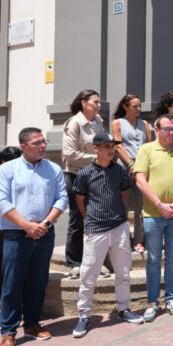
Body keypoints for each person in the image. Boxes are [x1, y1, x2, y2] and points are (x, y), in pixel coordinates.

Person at [0, 127, 68, 346]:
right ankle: (8, 331)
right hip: (16, 234)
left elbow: (62, 199)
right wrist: (27, 225)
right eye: (37, 143)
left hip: (44, 233)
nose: (43, 146)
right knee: (12, 284)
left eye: (44, 142)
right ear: (23, 146)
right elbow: (1, 201)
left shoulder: (53, 169)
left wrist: (44, 224)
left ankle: (33, 324)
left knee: (38, 281)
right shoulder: (8, 169)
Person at [72, 132, 144, 338]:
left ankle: (124, 309)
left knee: (123, 272)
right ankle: (84, 316)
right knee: (89, 275)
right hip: (95, 230)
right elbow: (80, 200)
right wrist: (90, 218)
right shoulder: (85, 173)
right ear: (95, 149)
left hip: (119, 227)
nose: (111, 150)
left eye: (112, 146)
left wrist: (117, 216)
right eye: (106, 146)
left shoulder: (120, 170)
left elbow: (123, 194)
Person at [133, 114, 173, 322]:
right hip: (153, 214)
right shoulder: (146, 150)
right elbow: (140, 180)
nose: (171, 133)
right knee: (153, 259)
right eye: (167, 129)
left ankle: (171, 299)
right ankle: (152, 301)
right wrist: (159, 205)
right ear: (157, 130)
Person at [62, 89, 105, 279]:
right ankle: (75, 262)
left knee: (96, 220)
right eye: (95, 102)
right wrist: (96, 158)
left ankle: (95, 261)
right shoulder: (74, 123)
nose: (99, 105)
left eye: (99, 102)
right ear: (84, 103)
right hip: (77, 176)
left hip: (96, 176)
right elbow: (69, 153)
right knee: (78, 220)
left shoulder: (99, 121)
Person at [111, 94, 151, 254]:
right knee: (123, 205)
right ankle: (122, 239)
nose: (138, 109)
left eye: (139, 105)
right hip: (124, 166)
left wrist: (143, 165)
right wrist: (130, 164)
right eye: (135, 106)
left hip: (142, 167)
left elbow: (148, 145)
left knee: (141, 205)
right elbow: (118, 146)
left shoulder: (144, 124)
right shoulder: (117, 123)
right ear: (125, 107)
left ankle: (139, 240)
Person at [0, 147, 23, 301]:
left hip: (19, 224)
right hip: (4, 226)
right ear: (3, 162)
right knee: (5, 267)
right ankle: (5, 303)